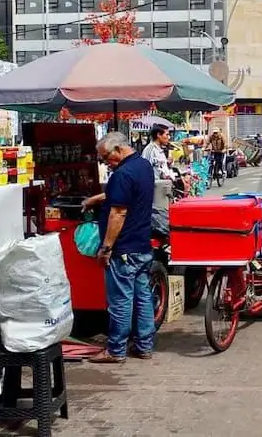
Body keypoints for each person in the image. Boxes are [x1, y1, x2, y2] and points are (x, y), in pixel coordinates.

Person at [83, 132, 155, 363]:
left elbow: (119, 212)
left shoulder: (122, 174)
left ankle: (115, 350)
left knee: (121, 301)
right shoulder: (143, 166)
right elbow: (123, 195)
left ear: (118, 150)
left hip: (124, 248)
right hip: (142, 244)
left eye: (106, 157)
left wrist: (106, 248)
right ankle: (144, 346)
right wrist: (95, 199)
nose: (105, 162)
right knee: (142, 297)